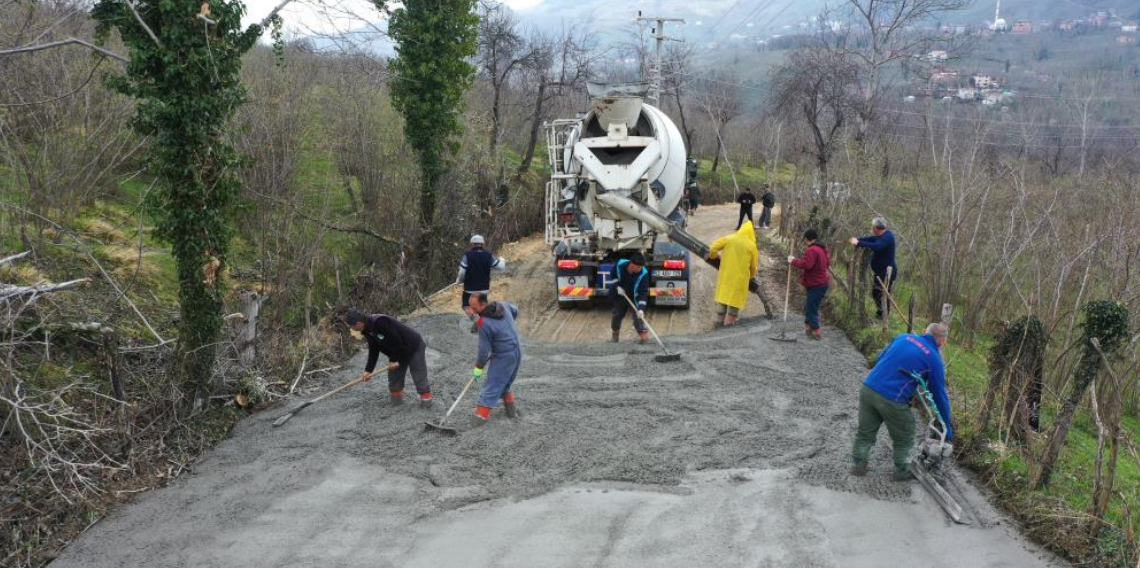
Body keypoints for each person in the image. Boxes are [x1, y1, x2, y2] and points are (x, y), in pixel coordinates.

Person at [851, 323, 953, 481]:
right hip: (892, 398)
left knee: (865, 431)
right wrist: (946, 425)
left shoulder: (903, 337)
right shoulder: (934, 359)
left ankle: (858, 464)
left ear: (924, 332)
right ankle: (901, 470)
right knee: (905, 434)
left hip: (868, 388)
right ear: (942, 342)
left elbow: (880, 357)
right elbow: (939, 395)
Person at [345, 309, 433, 408]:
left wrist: (393, 360)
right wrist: (368, 370)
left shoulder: (380, 322)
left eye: (351, 326)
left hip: (412, 345)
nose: (351, 328)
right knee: (394, 374)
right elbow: (374, 349)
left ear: (359, 323)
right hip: (398, 349)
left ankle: (426, 399)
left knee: (418, 371)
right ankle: (396, 401)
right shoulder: (366, 330)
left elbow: (396, 341)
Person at [468, 292, 523, 428]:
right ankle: (512, 412)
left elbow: (483, 351)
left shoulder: (483, 323)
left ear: (483, 304)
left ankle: (478, 421)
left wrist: (478, 368)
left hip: (503, 356)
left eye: (474, 308)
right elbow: (515, 311)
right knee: (504, 384)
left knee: (491, 386)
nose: (472, 312)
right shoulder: (503, 305)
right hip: (517, 351)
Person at [708, 221, 759, 327]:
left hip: (726, 277)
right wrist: (750, 276)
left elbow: (712, 248)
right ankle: (728, 330)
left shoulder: (729, 239)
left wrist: (715, 256)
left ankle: (718, 327)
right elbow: (753, 267)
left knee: (723, 300)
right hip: (740, 281)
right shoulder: (751, 246)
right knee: (733, 307)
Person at [850, 217, 897, 320]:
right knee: (876, 293)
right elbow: (870, 239)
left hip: (887, 272)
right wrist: (858, 239)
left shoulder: (887, 237)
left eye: (873, 227)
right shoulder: (880, 236)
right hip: (880, 271)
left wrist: (858, 243)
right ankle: (880, 313)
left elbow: (877, 246)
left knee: (882, 293)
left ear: (876, 228)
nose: (872, 228)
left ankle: (884, 316)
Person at [458, 235, 506, 332]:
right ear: (483, 244)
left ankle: (477, 322)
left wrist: (460, 280)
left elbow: (462, 272)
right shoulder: (488, 255)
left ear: (472, 244)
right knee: (482, 308)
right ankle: (485, 326)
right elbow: (500, 267)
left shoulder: (467, 255)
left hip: (470, 288)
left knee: (466, 306)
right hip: (484, 288)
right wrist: (502, 259)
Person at [788, 229, 830, 340]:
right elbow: (827, 264)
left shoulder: (812, 250)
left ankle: (816, 331)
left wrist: (793, 261)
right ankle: (808, 327)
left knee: (812, 307)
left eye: (805, 239)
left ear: (807, 239)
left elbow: (807, 264)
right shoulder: (823, 248)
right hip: (821, 282)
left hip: (817, 283)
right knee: (810, 305)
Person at [609, 253, 650, 344]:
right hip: (620, 294)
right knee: (617, 315)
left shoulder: (644, 274)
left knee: (638, 317)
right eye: (638, 267)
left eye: (641, 267)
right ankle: (615, 338)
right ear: (631, 264)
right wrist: (617, 286)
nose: (640, 269)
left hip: (635, 297)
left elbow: (643, 292)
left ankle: (645, 339)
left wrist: (641, 309)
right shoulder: (620, 265)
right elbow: (613, 275)